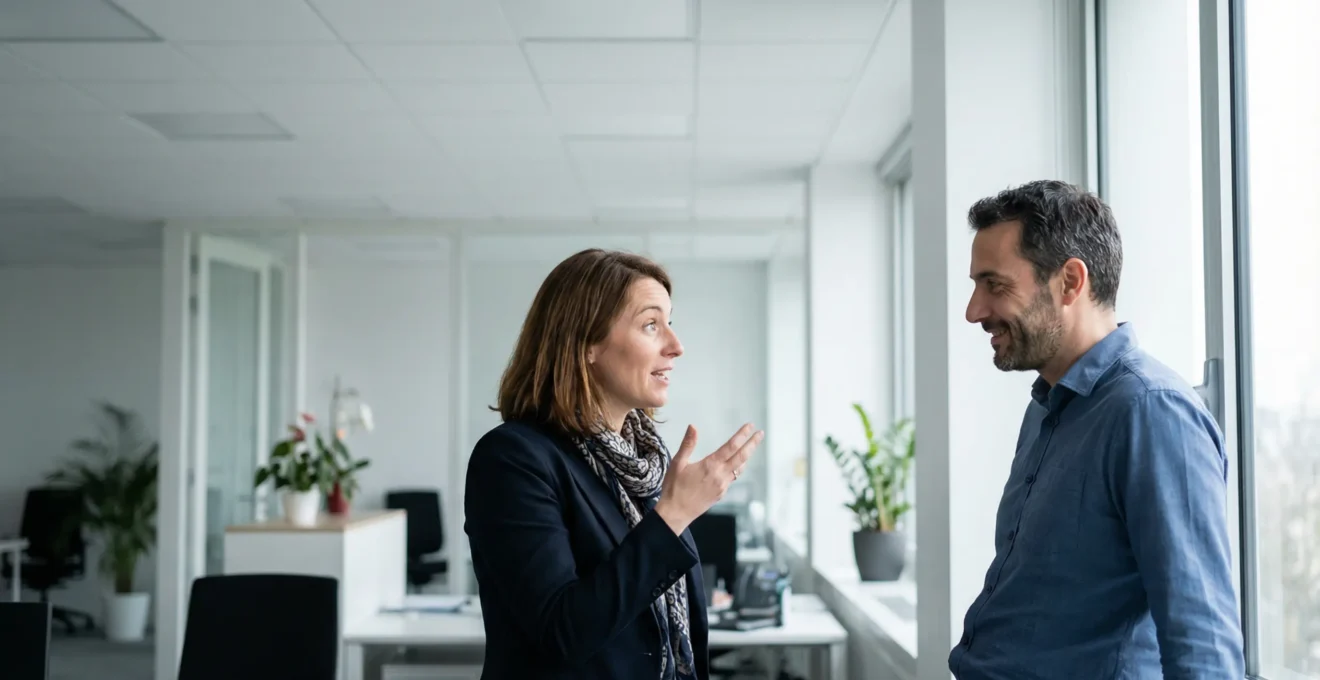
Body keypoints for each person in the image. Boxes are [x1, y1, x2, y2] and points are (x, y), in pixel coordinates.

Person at [951, 180, 1245, 678]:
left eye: (994, 285)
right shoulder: (1048, 406)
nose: (974, 310)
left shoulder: (1152, 414)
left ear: (1070, 282)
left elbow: (1202, 641)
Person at [464, 248, 764, 680]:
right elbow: (561, 633)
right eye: (650, 325)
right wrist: (674, 516)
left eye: (670, 323)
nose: (676, 346)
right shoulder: (513, 460)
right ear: (587, 344)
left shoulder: (646, 467)